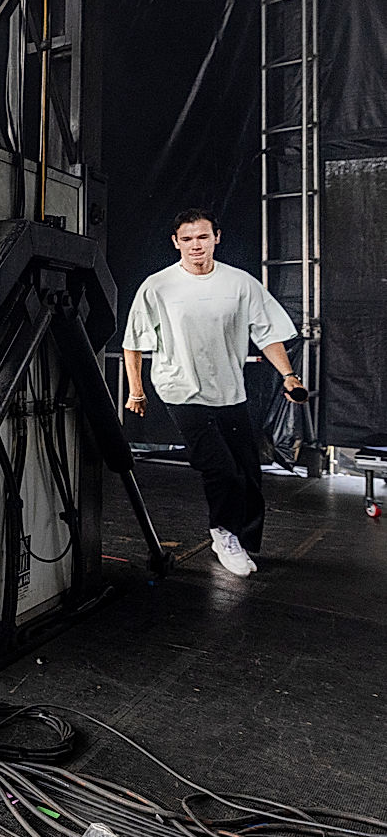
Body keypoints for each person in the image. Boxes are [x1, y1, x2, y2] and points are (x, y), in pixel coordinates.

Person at [122, 208, 307, 577]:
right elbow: (134, 343)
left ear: (216, 238)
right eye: (187, 239)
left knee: (249, 474)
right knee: (222, 470)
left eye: (202, 237)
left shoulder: (240, 284)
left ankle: (244, 538)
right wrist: (137, 392)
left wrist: (289, 376)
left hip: (229, 390)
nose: (195, 245)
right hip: (181, 389)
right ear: (176, 242)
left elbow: (267, 333)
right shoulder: (158, 286)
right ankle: (223, 535)